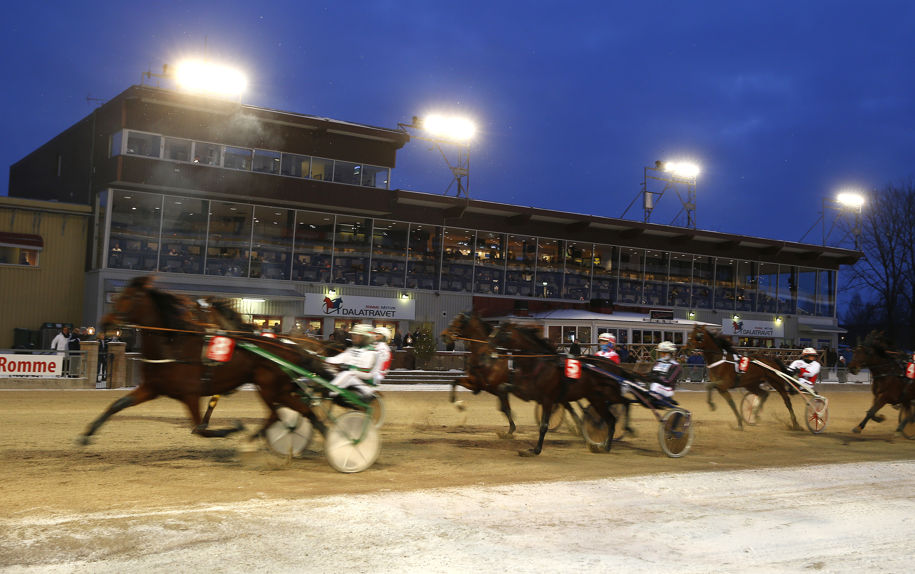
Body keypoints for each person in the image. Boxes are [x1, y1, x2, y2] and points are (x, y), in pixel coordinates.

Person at [324, 324, 379, 401]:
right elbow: (338, 359)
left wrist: (348, 367)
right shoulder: (352, 349)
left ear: (365, 338)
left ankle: (331, 389)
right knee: (337, 371)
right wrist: (322, 359)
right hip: (353, 373)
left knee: (348, 373)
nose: (353, 337)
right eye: (353, 335)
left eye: (356, 335)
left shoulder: (371, 351)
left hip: (367, 375)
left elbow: (365, 370)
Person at [648, 341, 682, 406]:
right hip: (656, 387)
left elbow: (668, 381)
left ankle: (656, 400)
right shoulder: (658, 362)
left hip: (667, 389)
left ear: (670, 353)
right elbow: (651, 373)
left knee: (655, 385)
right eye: (661, 353)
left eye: (664, 353)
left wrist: (655, 378)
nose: (661, 355)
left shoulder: (675, 365)